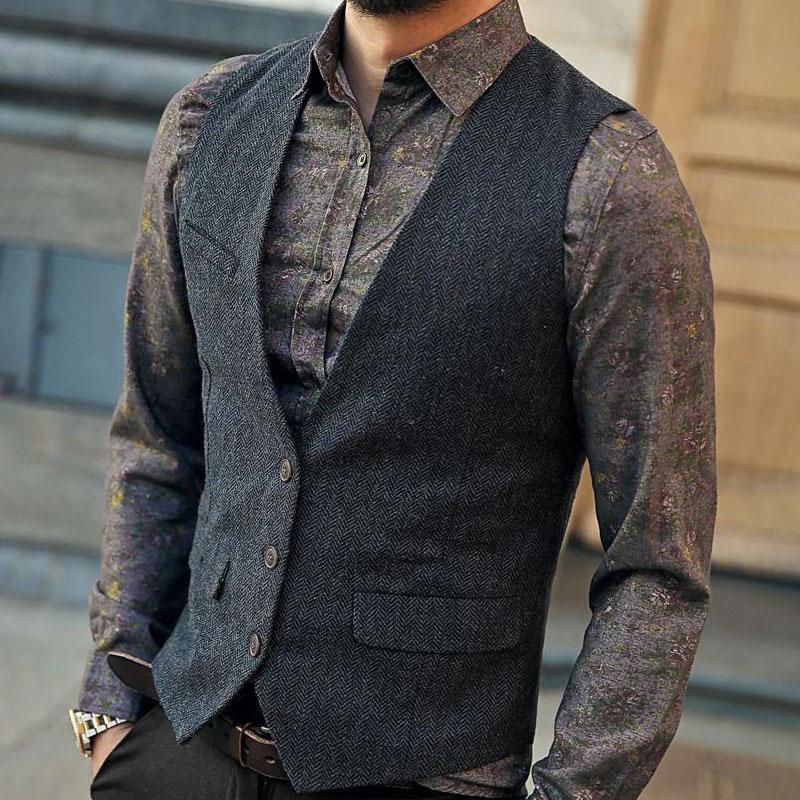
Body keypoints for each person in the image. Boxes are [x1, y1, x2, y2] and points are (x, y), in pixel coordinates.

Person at [68, 0, 717, 798]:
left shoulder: (610, 177)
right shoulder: (210, 116)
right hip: (177, 748)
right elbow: (158, 433)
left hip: (423, 774)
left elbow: (658, 561)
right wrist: (108, 705)